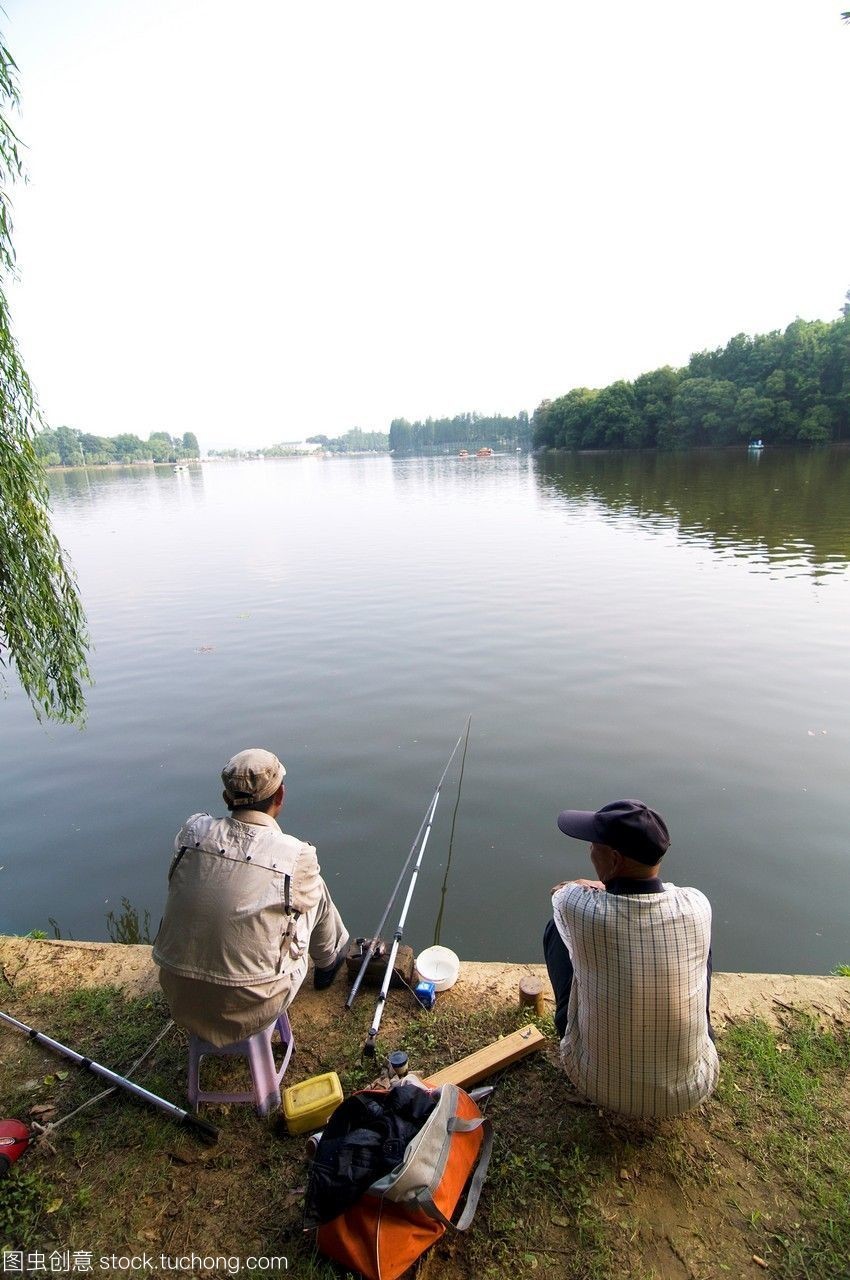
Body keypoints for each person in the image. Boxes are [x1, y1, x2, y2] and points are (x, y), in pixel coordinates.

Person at [154, 748, 349, 1046]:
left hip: (179, 993)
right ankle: (328, 961)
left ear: (225, 799)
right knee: (314, 888)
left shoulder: (191, 832)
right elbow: (303, 900)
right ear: (280, 796)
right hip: (255, 1004)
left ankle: (326, 958)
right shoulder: (297, 854)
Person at [544, 798, 718, 1119]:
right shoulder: (697, 904)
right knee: (697, 942)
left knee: (557, 929)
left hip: (594, 1081)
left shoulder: (577, 907)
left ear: (613, 859)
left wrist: (594, 885)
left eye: (593, 845)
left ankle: (567, 1028)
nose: (589, 850)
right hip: (690, 1088)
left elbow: (559, 893)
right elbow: (664, 892)